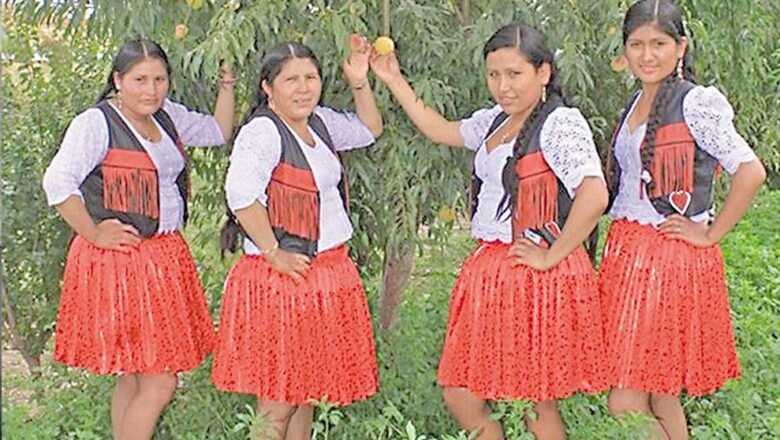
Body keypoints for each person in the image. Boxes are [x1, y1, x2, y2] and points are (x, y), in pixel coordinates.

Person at [371, 23, 608, 440]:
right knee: (463, 392)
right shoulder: (496, 120)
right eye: (494, 74)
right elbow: (440, 129)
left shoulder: (559, 123)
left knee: (536, 400)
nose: (503, 85)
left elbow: (593, 194)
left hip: (534, 274)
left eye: (514, 74)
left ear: (544, 73)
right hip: (496, 270)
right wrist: (393, 78)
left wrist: (551, 256)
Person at [42, 39, 235, 440]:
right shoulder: (96, 123)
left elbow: (217, 131)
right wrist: (94, 231)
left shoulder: (166, 117)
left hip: (162, 256)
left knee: (135, 374)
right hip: (122, 260)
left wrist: (228, 85)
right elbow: (57, 183)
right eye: (140, 80)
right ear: (118, 80)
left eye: (160, 79)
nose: (151, 90)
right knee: (161, 381)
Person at [599, 1, 767, 438]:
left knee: (626, 402)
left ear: (680, 47)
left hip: (667, 258)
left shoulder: (696, 103)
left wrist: (710, 233)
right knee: (661, 393)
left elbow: (750, 170)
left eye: (658, 44)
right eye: (636, 44)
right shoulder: (638, 100)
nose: (647, 55)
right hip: (629, 256)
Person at [211, 40, 383, 440]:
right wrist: (273, 252)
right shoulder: (262, 132)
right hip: (284, 280)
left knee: (304, 392)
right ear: (268, 87)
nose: (304, 88)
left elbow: (370, 129)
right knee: (277, 402)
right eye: (291, 80)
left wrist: (359, 83)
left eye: (311, 78)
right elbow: (241, 196)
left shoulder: (318, 122)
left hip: (324, 271)